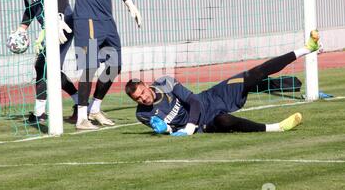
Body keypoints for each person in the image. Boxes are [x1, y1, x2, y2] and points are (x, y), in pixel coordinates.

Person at [125, 30, 322, 136]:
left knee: (253, 74)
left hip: (210, 98)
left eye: (142, 92)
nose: (144, 98)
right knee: (225, 121)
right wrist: (165, 130)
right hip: (205, 124)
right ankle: (276, 127)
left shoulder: (164, 82)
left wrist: (189, 127)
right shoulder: (142, 114)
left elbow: (193, 101)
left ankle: (306, 48)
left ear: (145, 84)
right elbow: (168, 129)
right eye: (138, 98)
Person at [57, 0, 142, 130]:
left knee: (115, 65)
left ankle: (95, 108)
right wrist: (59, 15)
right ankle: (82, 118)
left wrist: (130, 3)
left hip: (107, 20)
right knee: (89, 67)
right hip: (86, 21)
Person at [7, 0, 79, 124]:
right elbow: (31, 8)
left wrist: (57, 19)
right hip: (49, 28)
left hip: (64, 24)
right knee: (49, 69)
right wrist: (22, 28)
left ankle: (39, 113)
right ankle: (80, 104)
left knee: (42, 66)